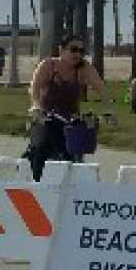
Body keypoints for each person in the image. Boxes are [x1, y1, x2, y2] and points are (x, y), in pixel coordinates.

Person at [24, 34, 106, 178]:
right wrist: (36, 107)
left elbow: (101, 89)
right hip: (45, 116)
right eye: (73, 50)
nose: (77, 54)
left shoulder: (84, 68)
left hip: (69, 119)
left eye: (81, 51)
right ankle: (35, 181)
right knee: (41, 147)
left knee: (73, 152)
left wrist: (108, 109)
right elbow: (34, 88)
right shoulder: (49, 65)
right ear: (61, 50)